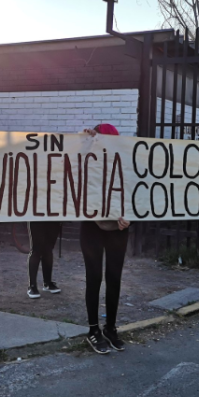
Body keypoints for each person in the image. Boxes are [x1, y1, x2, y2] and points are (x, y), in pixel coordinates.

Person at [80, 124, 131, 355]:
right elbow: (68, 167)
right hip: (92, 226)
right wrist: (82, 141)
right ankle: (93, 330)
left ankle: (110, 328)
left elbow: (137, 194)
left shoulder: (124, 164)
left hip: (118, 228)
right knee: (94, 278)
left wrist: (130, 218)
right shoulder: (88, 161)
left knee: (114, 279)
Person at [26, 222, 62, 298]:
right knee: (36, 249)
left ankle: (47, 283)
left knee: (48, 249)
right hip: (37, 217)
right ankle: (32, 286)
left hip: (53, 218)